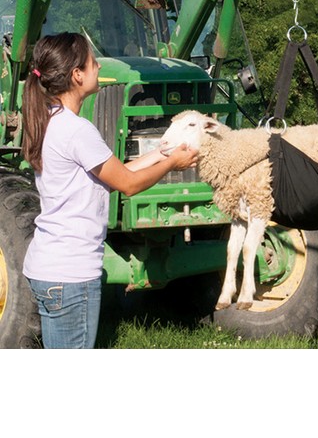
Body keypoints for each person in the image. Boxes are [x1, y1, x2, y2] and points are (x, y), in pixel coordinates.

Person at [21, 32, 198, 349]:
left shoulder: (49, 120)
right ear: (77, 76)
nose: (98, 66)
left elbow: (119, 171)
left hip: (48, 267)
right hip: (71, 274)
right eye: (92, 63)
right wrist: (172, 166)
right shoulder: (77, 130)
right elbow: (129, 185)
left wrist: (165, 152)